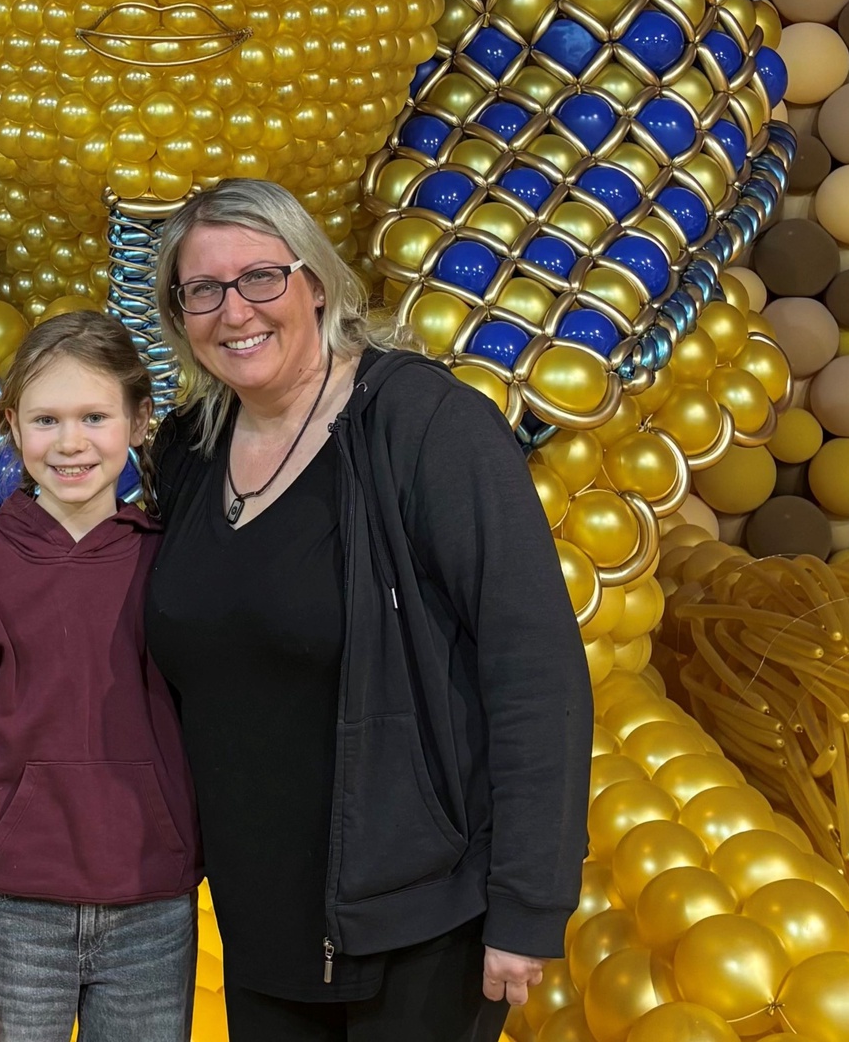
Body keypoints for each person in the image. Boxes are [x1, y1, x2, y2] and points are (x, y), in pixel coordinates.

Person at [145, 179, 593, 1042]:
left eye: (262, 278)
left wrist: (529, 907)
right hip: (259, 917)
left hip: (420, 919)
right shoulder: (189, 452)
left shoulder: (424, 425)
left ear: (315, 281)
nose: (234, 310)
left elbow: (533, 665)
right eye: (202, 290)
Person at [0, 310, 202, 1042]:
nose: (71, 443)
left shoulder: (176, 567)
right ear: (10, 425)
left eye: (95, 416)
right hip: (10, 921)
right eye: (46, 419)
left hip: (154, 915)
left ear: (139, 421)